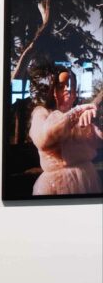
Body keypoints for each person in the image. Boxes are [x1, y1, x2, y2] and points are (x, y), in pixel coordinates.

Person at [28, 65, 102, 196]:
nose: (67, 89)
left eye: (71, 85)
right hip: (56, 184)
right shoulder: (42, 113)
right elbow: (43, 140)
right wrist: (76, 113)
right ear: (53, 90)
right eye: (62, 86)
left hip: (87, 179)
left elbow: (99, 142)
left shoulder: (83, 114)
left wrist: (94, 120)